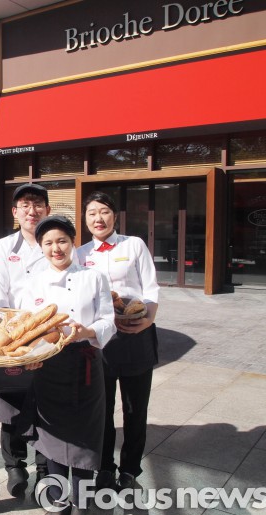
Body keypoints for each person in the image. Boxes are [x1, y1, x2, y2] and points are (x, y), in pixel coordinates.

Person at [23, 215, 116, 515]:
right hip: (48, 365)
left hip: (85, 362)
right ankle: (59, 500)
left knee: (85, 435)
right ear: (41, 247)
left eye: (62, 241)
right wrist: (30, 356)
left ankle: (81, 503)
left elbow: (108, 321)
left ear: (73, 242)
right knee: (53, 435)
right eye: (48, 243)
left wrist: (87, 331)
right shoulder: (33, 282)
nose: (56, 248)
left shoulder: (94, 277)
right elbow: (27, 328)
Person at [76, 191, 160, 493]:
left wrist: (147, 320)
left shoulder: (133, 245)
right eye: (92, 213)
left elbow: (151, 287)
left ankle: (130, 469)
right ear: (85, 219)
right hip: (101, 340)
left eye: (104, 211)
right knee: (102, 408)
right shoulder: (80, 254)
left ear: (114, 215)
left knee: (135, 409)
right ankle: (105, 467)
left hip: (136, 335)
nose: (98, 218)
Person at [0, 183, 50, 497]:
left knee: (45, 403)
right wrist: (16, 332)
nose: (31, 210)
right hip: (13, 335)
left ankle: (45, 469)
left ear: (47, 210)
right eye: (25, 205)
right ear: (15, 212)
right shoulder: (3, 248)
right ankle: (14, 465)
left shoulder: (55, 243)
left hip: (48, 335)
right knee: (11, 401)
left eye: (37, 204)